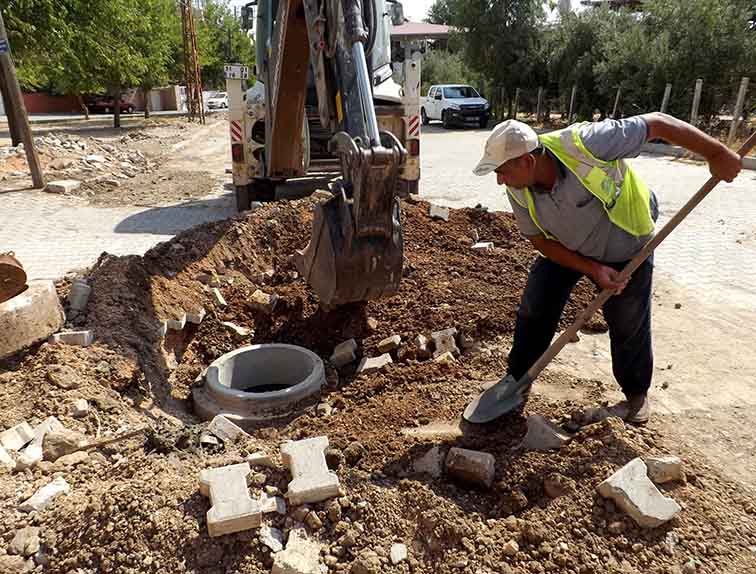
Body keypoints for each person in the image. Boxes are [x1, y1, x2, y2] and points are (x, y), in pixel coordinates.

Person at [472, 113, 742, 424]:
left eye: (502, 171)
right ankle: (518, 378)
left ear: (527, 162)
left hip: (623, 241)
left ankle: (636, 395)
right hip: (567, 246)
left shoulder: (586, 143)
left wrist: (717, 153)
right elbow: (539, 241)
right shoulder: (518, 187)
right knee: (536, 305)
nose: (499, 180)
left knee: (628, 319)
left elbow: (658, 124)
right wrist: (591, 268)